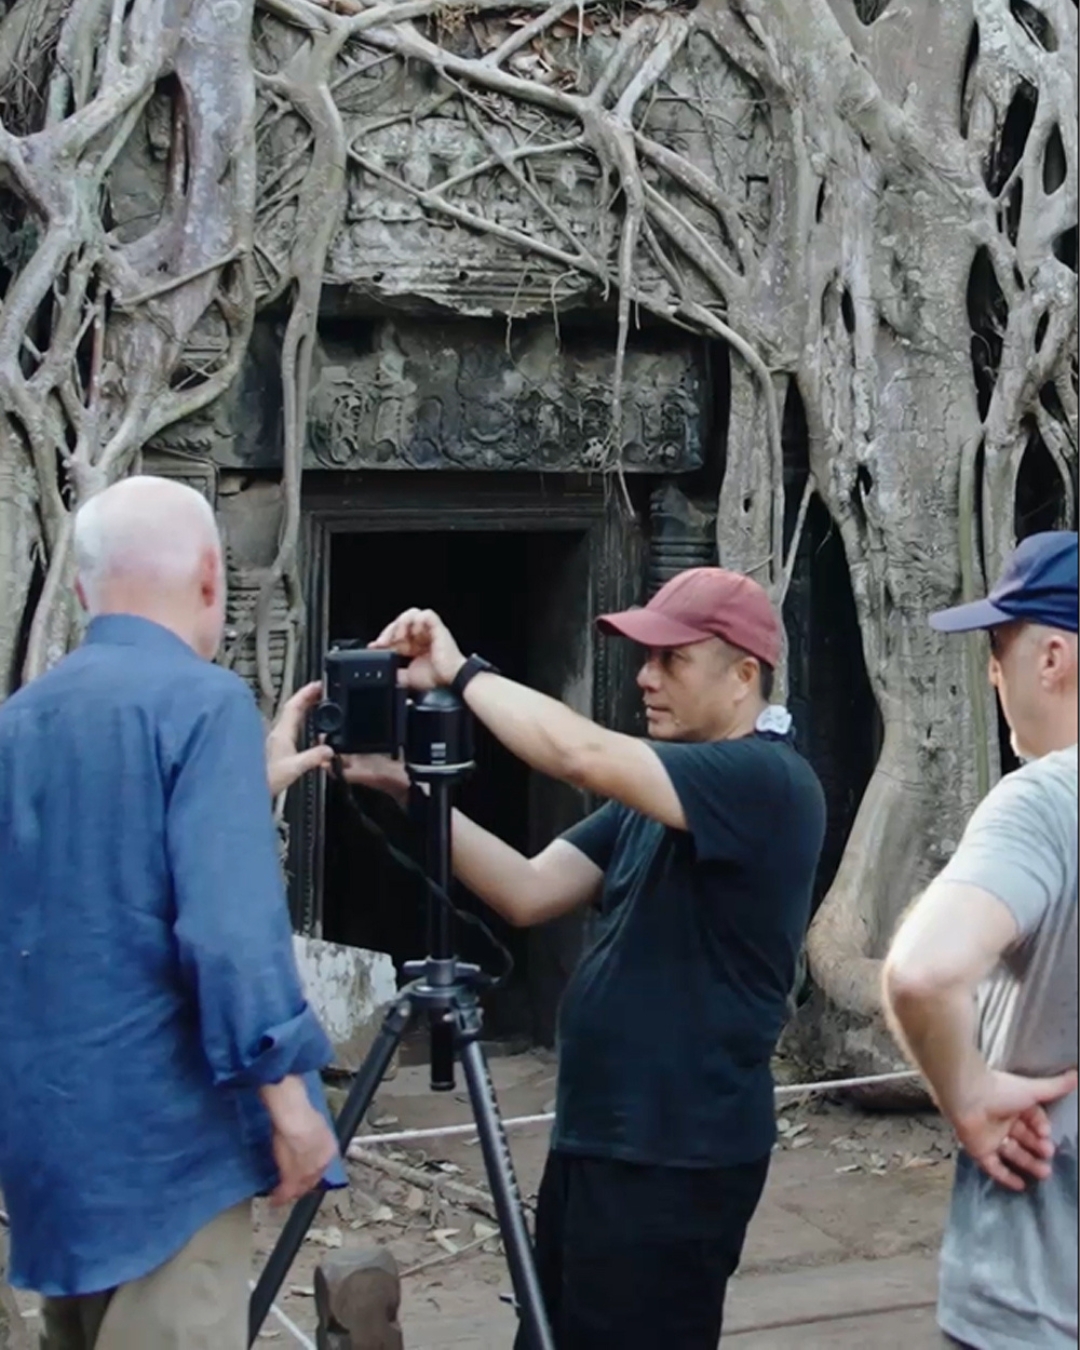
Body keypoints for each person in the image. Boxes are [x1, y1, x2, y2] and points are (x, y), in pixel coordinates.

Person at [346, 567, 827, 1349]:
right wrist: (410, 792)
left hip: (674, 1152)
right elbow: (530, 889)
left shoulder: (765, 780)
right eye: (644, 657)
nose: (646, 677)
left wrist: (464, 673)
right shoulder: (661, 794)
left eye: (671, 659)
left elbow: (577, 754)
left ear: (744, 677)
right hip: (601, 1136)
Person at [0, 476, 344, 1350]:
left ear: (81, 590)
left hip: (52, 1151)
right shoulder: (206, 703)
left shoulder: (22, 721)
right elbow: (228, 934)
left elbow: (81, 880)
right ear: (209, 578)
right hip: (168, 1151)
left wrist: (239, 789)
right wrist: (290, 1105)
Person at [882, 530, 1079, 1350]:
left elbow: (923, 974)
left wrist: (965, 1093)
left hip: (1036, 1302)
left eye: (998, 650)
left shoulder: (1043, 801)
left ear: (1053, 657)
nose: (992, 676)